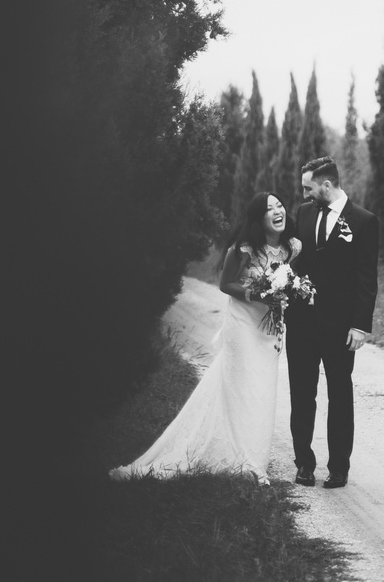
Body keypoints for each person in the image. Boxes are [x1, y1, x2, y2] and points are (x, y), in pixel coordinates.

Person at [109, 192, 301, 486]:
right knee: (242, 386)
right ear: (258, 218)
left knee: (262, 389)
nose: (278, 211)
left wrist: (286, 293)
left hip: (269, 329)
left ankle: (253, 457)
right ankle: (242, 460)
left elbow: (289, 280)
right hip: (242, 324)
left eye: (279, 205)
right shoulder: (243, 249)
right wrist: (257, 293)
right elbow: (226, 284)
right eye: (269, 208)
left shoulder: (292, 248)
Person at [285, 156, 378, 489]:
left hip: (340, 327)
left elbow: (367, 278)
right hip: (302, 322)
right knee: (302, 393)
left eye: (309, 188)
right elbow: (297, 261)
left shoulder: (364, 222)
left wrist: (360, 325)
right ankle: (304, 464)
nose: (306, 194)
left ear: (326, 185)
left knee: (339, 394)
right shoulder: (305, 213)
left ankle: (339, 467)